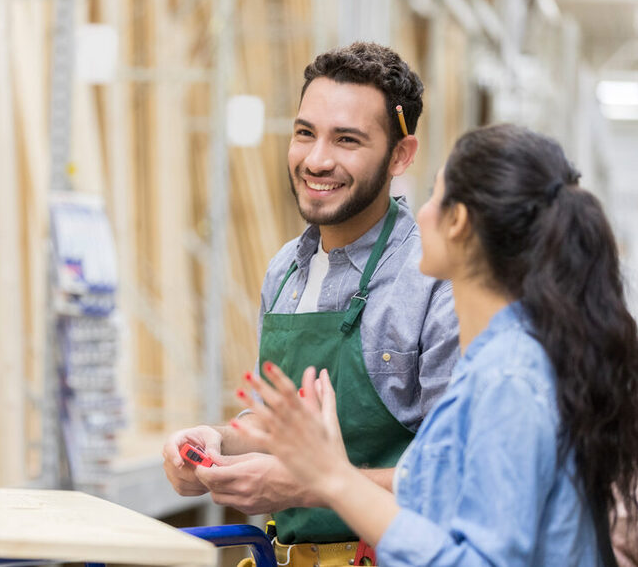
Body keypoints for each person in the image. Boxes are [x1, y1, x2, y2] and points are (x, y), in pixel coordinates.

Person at [234, 123, 638, 565]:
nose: (419, 212)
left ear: (459, 221)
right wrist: (317, 469)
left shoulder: (508, 378)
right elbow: (428, 489)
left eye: (433, 195)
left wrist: (333, 477)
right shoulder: (493, 362)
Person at [162, 42, 461, 561]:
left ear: (400, 155)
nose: (317, 160)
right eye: (305, 133)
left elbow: (456, 477)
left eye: (347, 140)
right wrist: (214, 444)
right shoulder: (285, 271)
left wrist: (307, 485)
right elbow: (274, 426)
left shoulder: (434, 280)